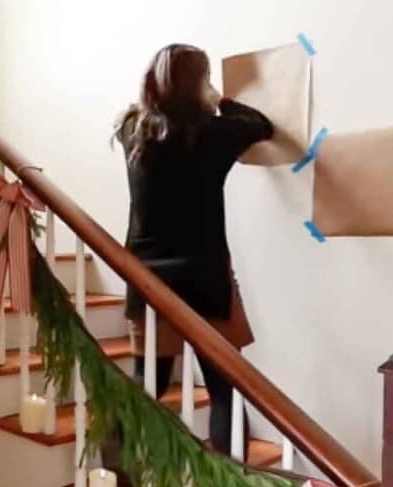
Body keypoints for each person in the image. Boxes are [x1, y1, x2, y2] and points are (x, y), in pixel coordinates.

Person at [111, 43, 274, 464]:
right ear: (198, 84)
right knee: (224, 387)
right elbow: (259, 124)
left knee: (148, 382)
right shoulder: (212, 134)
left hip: (148, 278)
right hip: (204, 275)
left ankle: (118, 469)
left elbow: (143, 111)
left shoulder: (134, 129)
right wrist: (219, 99)